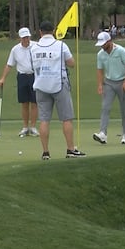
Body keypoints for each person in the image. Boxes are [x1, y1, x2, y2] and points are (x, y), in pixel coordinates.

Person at [31, 20, 85, 160]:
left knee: (44, 120)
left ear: (40, 32)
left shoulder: (34, 47)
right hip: (58, 83)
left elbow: (33, 66)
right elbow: (72, 63)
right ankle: (70, 149)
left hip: (41, 84)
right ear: (53, 31)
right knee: (66, 118)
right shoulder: (61, 45)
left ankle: (45, 152)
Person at [92, 31, 125, 145]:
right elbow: (100, 70)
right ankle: (103, 134)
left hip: (122, 82)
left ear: (109, 41)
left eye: (103, 44)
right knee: (105, 107)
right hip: (109, 83)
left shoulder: (120, 50)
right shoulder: (100, 54)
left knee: (124, 109)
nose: (102, 46)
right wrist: (100, 84)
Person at [0, 27, 39, 137]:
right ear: (20, 38)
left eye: (27, 37)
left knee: (35, 102)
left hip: (35, 76)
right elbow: (9, 65)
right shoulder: (15, 49)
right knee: (24, 103)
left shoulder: (36, 46)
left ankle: (33, 127)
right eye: (24, 37)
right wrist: (3, 78)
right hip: (22, 77)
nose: (26, 39)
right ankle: (25, 127)